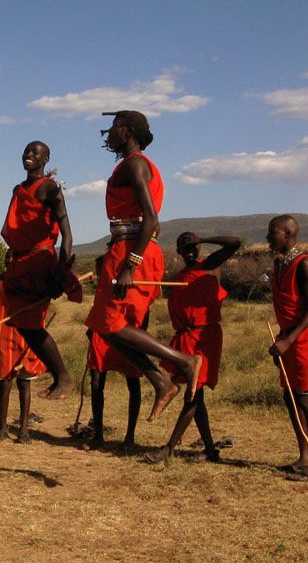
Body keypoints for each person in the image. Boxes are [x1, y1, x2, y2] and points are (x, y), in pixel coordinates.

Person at [85, 111, 201, 422]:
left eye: (114, 127)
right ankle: (161, 381)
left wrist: (130, 265)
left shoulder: (136, 164)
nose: (108, 132)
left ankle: (184, 362)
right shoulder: (130, 165)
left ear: (127, 130)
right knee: (103, 326)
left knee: (109, 324)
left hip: (133, 251)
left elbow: (151, 219)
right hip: (126, 248)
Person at [145, 233, 241, 463]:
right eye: (184, 249)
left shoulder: (209, 266)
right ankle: (210, 450)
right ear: (178, 252)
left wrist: (203, 238)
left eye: (193, 248)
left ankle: (169, 449)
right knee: (196, 397)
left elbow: (234, 243)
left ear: (198, 248)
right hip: (186, 336)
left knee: (193, 394)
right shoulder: (178, 277)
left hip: (205, 337)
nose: (189, 252)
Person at [0, 141, 77, 400]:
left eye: (36, 152)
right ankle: (59, 375)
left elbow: (66, 232)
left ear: (46, 159)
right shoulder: (17, 189)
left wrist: (61, 272)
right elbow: (17, 227)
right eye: (26, 151)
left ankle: (63, 376)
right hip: (20, 264)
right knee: (22, 324)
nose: (29, 155)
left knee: (31, 324)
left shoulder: (49, 189)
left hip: (40, 262)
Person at [266, 215, 308, 482]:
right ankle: (304, 457)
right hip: (288, 337)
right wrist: (282, 339)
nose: (268, 237)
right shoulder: (280, 262)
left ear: (288, 234)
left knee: (307, 399)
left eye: (273, 233)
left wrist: (288, 341)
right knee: (290, 398)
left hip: (305, 340)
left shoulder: (304, 265)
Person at [0, 269, 47, 444]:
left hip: (24, 334)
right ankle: (3, 428)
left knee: (24, 382)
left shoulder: (31, 282)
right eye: (7, 262)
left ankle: (24, 430)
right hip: (2, 335)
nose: (10, 265)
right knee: (4, 383)